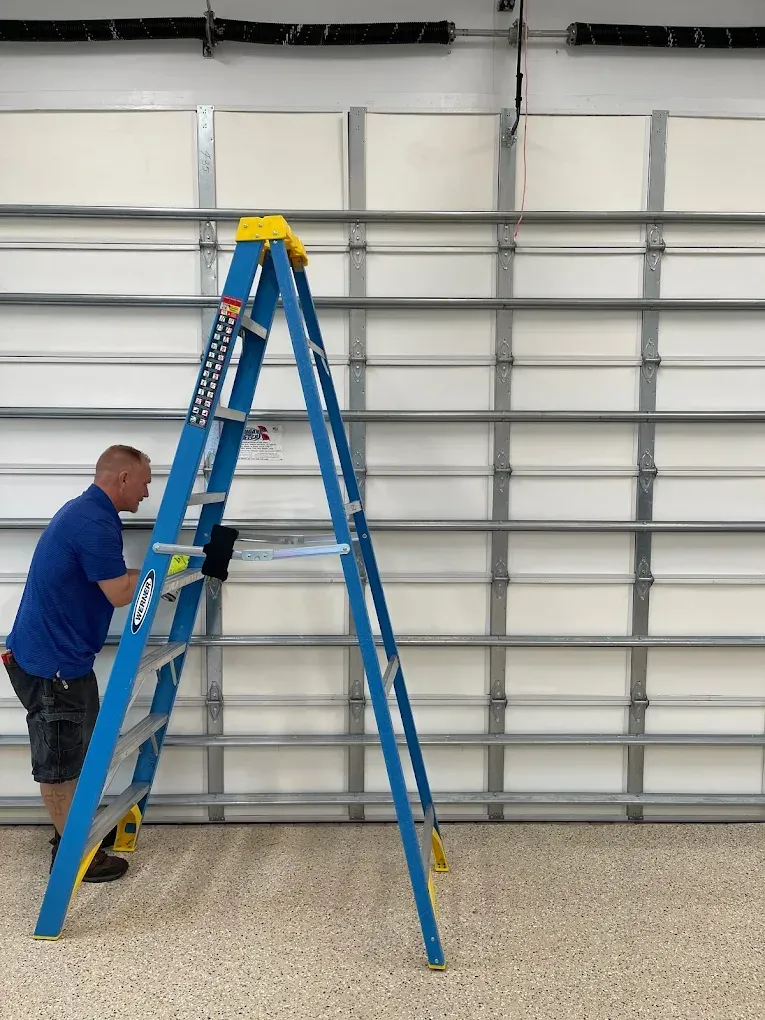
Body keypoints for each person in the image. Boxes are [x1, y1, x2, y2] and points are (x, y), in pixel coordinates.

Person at [2, 444, 152, 882]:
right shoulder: (93, 523)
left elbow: (114, 582)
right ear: (123, 478)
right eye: (144, 481)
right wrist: (161, 571)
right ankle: (72, 857)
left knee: (79, 753)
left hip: (64, 660)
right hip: (51, 667)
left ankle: (73, 833)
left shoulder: (90, 514)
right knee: (60, 764)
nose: (146, 492)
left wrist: (153, 572)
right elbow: (122, 595)